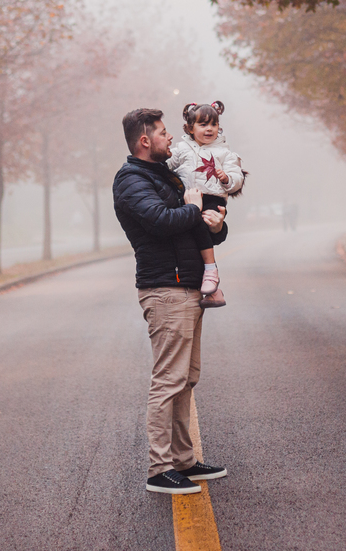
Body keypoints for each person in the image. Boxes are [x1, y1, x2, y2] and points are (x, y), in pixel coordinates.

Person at [113, 107, 230, 496]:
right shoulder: (130, 179)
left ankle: (183, 460)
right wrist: (194, 208)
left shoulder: (167, 175)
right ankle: (159, 468)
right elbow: (162, 221)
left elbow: (195, 223)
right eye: (163, 133)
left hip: (189, 287)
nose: (170, 138)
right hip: (166, 289)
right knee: (168, 380)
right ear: (145, 140)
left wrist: (216, 222)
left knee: (187, 377)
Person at [166, 101, 245, 308]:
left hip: (213, 199)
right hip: (189, 197)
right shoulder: (182, 149)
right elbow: (165, 165)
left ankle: (211, 269)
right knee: (191, 240)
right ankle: (214, 291)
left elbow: (237, 179)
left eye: (213, 124)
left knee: (200, 225)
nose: (209, 129)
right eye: (202, 124)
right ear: (190, 128)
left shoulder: (225, 153)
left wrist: (226, 178)